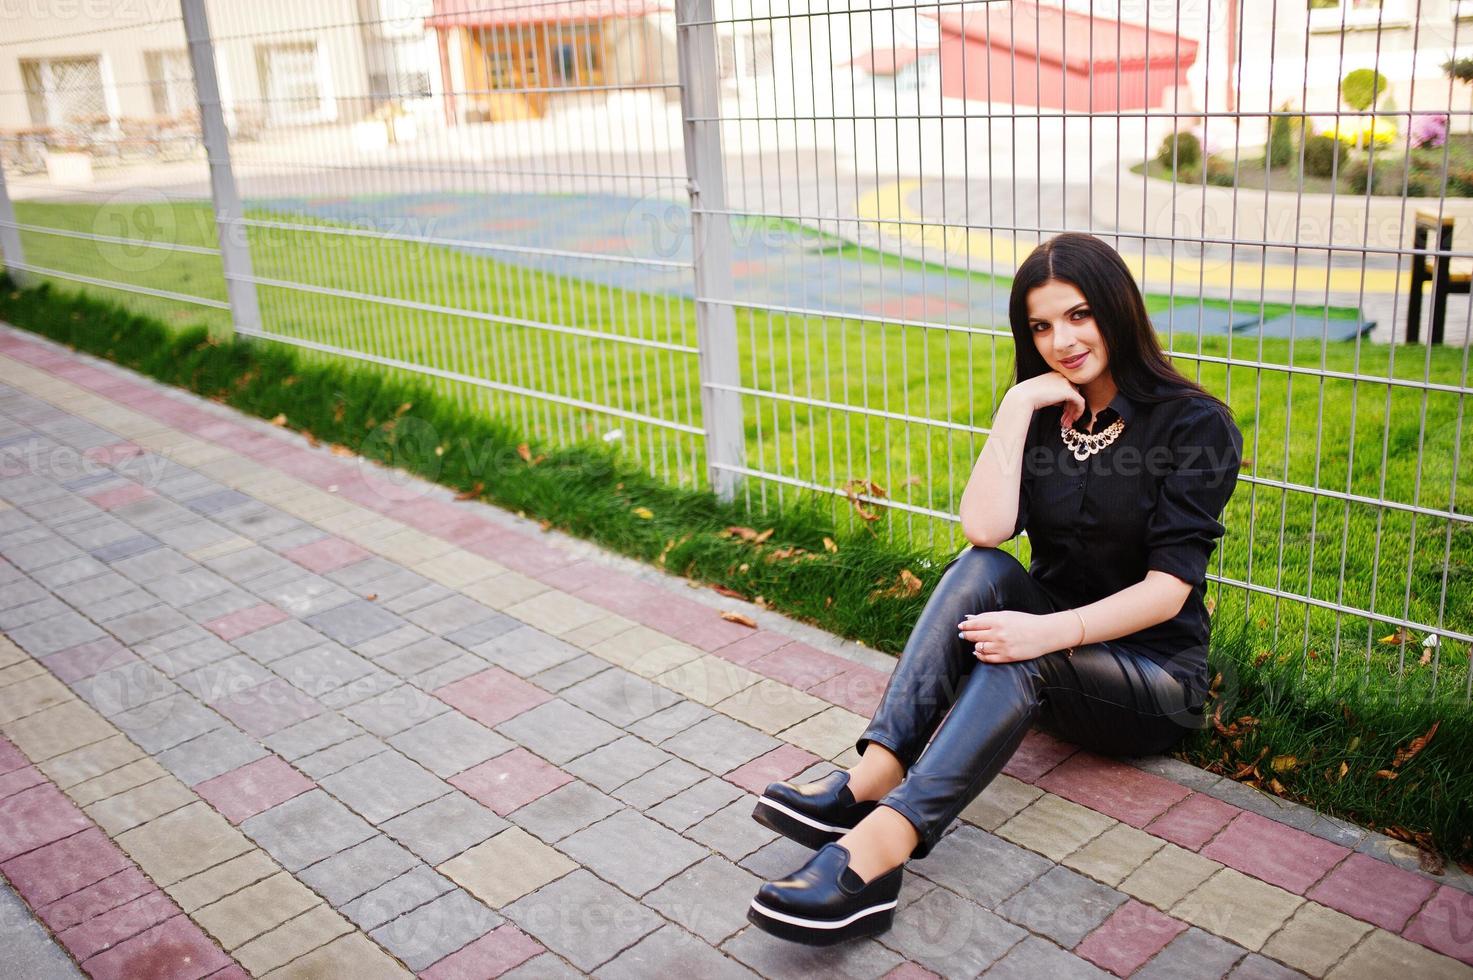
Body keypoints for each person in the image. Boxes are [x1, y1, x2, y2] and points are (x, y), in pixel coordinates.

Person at [744, 232, 1244, 946]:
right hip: (1038, 669)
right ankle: (874, 775)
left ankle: (873, 856)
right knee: (978, 569)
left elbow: (1167, 591)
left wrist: (1044, 634)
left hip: (1148, 682)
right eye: (1040, 326)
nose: (1061, 341)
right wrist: (1016, 407)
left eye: (1077, 316)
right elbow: (985, 530)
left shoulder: (1193, 424)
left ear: (1117, 308)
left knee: (1022, 647)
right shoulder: (1044, 410)